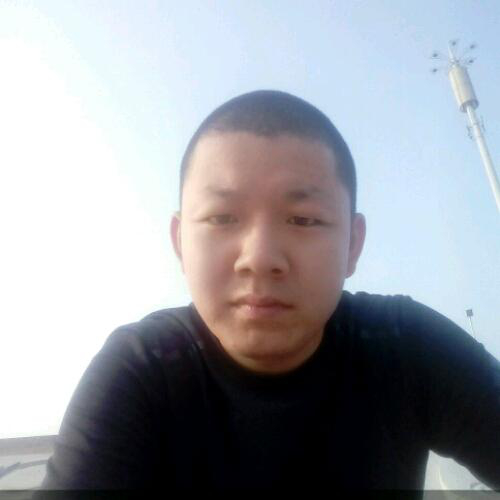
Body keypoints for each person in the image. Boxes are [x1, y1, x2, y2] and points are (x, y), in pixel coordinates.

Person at [36, 90, 499, 494]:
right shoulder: (144, 368)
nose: (259, 258)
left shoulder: (402, 346)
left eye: (304, 220)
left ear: (353, 245)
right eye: (222, 218)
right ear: (180, 243)